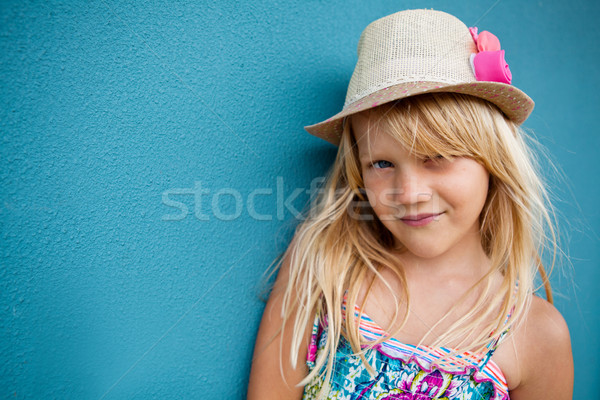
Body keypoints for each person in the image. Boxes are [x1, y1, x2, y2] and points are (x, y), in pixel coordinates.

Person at [247, 9, 573, 400]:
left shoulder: (537, 334)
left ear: (493, 162)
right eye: (382, 164)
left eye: (437, 156)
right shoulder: (322, 265)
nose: (409, 192)